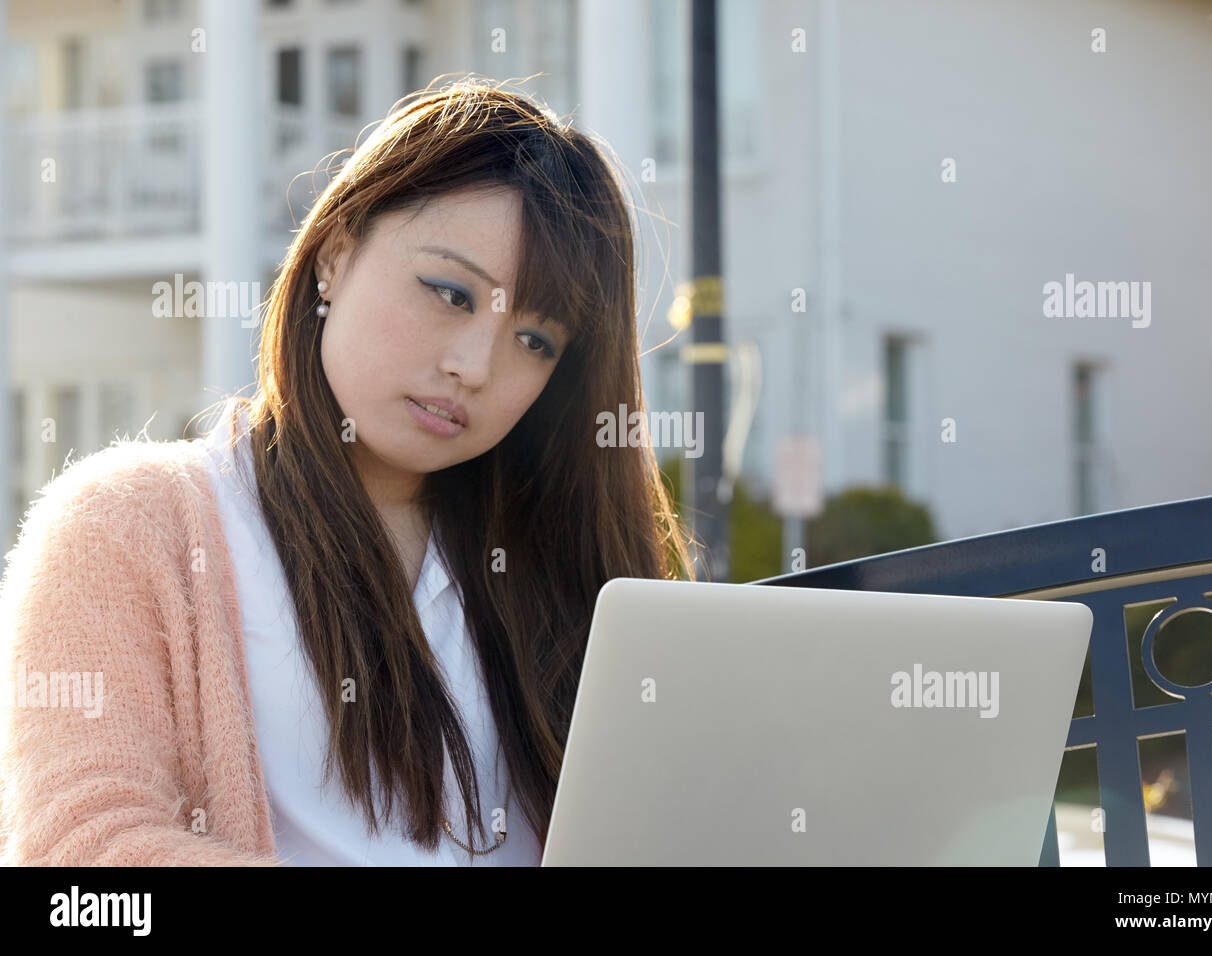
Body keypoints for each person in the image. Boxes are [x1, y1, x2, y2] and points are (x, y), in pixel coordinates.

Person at [0, 76, 695, 866]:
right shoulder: (126, 526)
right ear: (335, 254)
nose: (473, 366)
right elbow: (79, 863)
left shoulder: (560, 565)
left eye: (536, 341)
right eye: (449, 293)